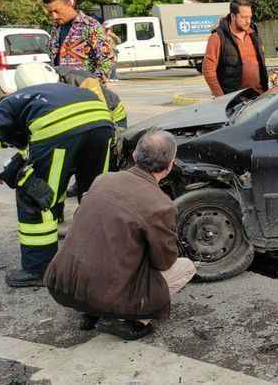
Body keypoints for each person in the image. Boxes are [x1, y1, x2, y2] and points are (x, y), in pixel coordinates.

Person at [45, 130, 196, 341]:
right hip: (106, 296)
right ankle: (128, 320)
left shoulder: (102, 179)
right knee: (186, 267)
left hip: (60, 284)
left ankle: (90, 312)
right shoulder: (161, 205)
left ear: (135, 156)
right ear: (170, 165)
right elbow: (164, 262)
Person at [0, 63, 115, 287]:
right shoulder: (63, 89)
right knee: (96, 195)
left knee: (36, 194)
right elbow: (31, 150)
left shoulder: (11, 102)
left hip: (57, 128)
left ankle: (39, 269)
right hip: (101, 122)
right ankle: (103, 256)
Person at [43, 0, 113, 82]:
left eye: (57, 11)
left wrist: (93, 83)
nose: (54, 16)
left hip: (85, 92)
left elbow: (107, 59)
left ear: (68, 4)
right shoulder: (55, 29)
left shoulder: (90, 25)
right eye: (50, 13)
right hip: (62, 90)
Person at [202, 0, 268, 97]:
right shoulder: (217, 38)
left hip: (259, 97)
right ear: (233, 16)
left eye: (250, 17)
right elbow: (208, 71)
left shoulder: (253, 34)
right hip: (234, 101)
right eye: (243, 17)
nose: (248, 21)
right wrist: (221, 98)